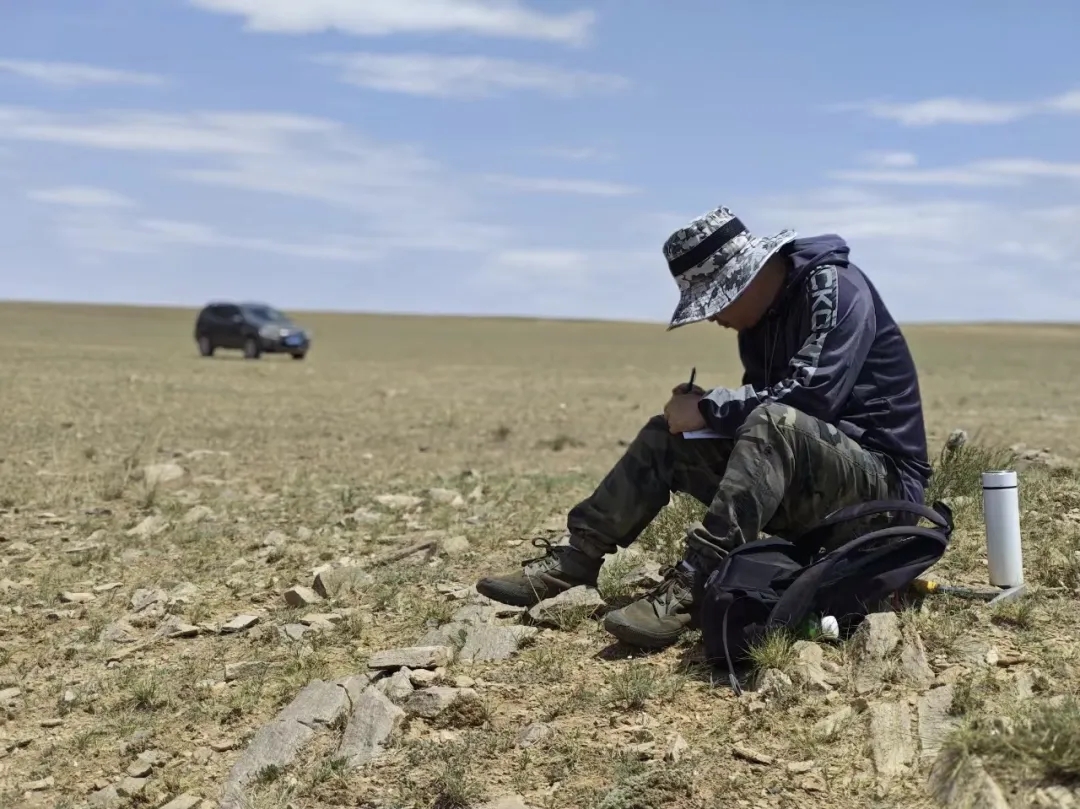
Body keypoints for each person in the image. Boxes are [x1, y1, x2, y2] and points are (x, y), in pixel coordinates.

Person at [476, 205, 932, 650]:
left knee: (770, 421)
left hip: (883, 499)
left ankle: (694, 582)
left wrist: (709, 408)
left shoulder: (835, 288)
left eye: (714, 301)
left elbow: (811, 397)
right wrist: (702, 415)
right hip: (817, 486)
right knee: (667, 435)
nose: (714, 318)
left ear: (746, 278)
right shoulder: (758, 323)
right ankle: (575, 560)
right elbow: (770, 416)